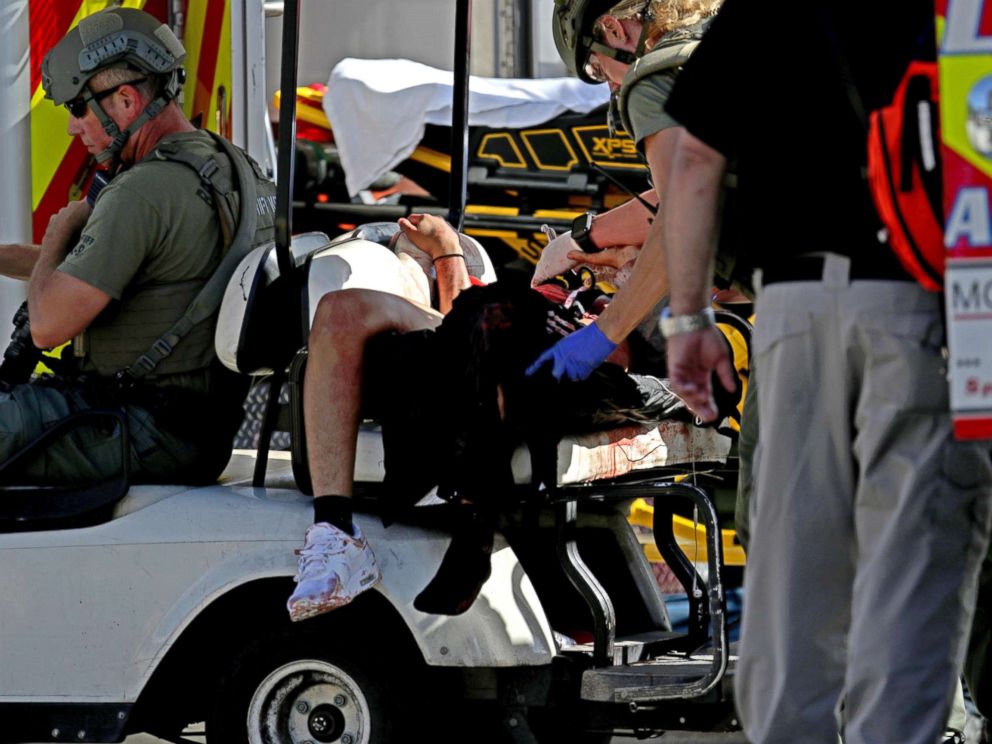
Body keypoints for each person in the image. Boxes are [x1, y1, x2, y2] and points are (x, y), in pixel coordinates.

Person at [659, 1, 992, 742]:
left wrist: (688, 320)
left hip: (791, 312)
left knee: (791, 578)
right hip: (931, 307)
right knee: (912, 577)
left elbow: (694, 159)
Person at [0, 7, 276, 484]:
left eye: (77, 107)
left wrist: (58, 235)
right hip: (195, 428)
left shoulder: (141, 193)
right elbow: (96, 270)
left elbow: (47, 325)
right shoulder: (233, 170)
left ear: (125, 101)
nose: (73, 127)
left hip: (141, 430)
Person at [530, 0, 729, 383]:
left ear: (613, 29)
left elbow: (682, 216)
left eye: (597, 68)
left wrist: (602, 334)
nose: (611, 86)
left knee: (767, 442)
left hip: (817, 296)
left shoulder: (654, 79)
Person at [288, 213, 474, 621]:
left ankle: (337, 531)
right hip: (501, 328)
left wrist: (446, 247)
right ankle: (335, 530)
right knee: (340, 311)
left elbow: (474, 330)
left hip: (544, 342)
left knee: (343, 311)